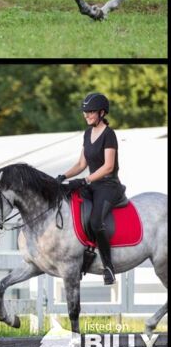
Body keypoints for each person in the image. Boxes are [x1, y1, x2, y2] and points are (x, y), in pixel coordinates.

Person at [56, 93, 125, 285]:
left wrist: (85, 181)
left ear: (102, 113)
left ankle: (108, 267)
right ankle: (81, 254)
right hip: (92, 185)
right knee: (71, 207)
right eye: (85, 112)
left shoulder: (109, 134)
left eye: (91, 112)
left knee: (95, 221)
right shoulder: (87, 134)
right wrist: (63, 176)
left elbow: (108, 166)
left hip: (109, 185)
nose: (86, 115)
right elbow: (81, 163)